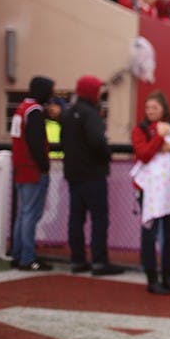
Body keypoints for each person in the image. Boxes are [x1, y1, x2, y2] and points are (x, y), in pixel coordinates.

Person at [131, 91, 170, 295]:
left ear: (163, 109)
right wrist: (159, 138)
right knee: (149, 235)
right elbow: (144, 154)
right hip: (149, 192)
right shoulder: (141, 130)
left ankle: (168, 277)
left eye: (154, 108)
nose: (150, 111)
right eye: (148, 108)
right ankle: (152, 278)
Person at [61, 75, 124, 276]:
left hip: (73, 173)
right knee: (99, 219)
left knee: (76, 218)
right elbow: (98, 142)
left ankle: (77, 259)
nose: (100, 94)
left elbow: (64, 142)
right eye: (98, 91)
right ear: (92, 92)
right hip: (92, 174)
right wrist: (107, 155)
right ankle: (99, 261)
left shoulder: (69, 114)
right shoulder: (90, 114)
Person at [10, 75, 54, 271]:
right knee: (30, 214)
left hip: (20, 167)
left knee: (23, 213)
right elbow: (36, 143)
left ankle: (18, 254)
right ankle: (28, 257)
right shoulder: (35, 111)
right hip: (32, 169)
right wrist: (44, 165)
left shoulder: (21, 109)